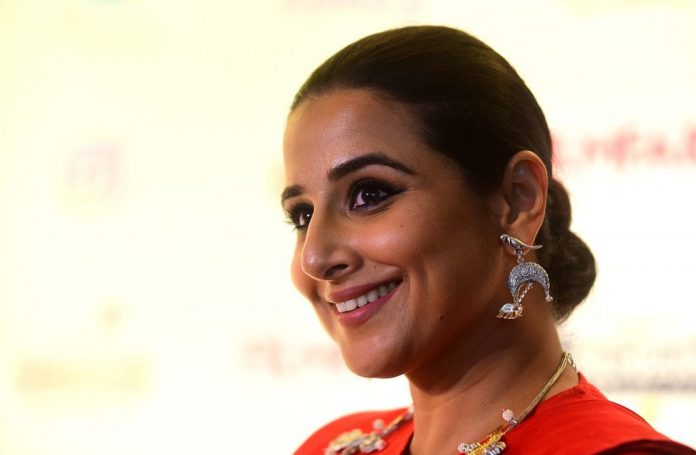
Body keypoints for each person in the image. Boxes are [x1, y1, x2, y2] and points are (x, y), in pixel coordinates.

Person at [281, 25, 694, 454]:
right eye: (302, 215)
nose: (314, 257)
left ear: (517, 200)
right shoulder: (328, 447)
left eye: (370, 194)